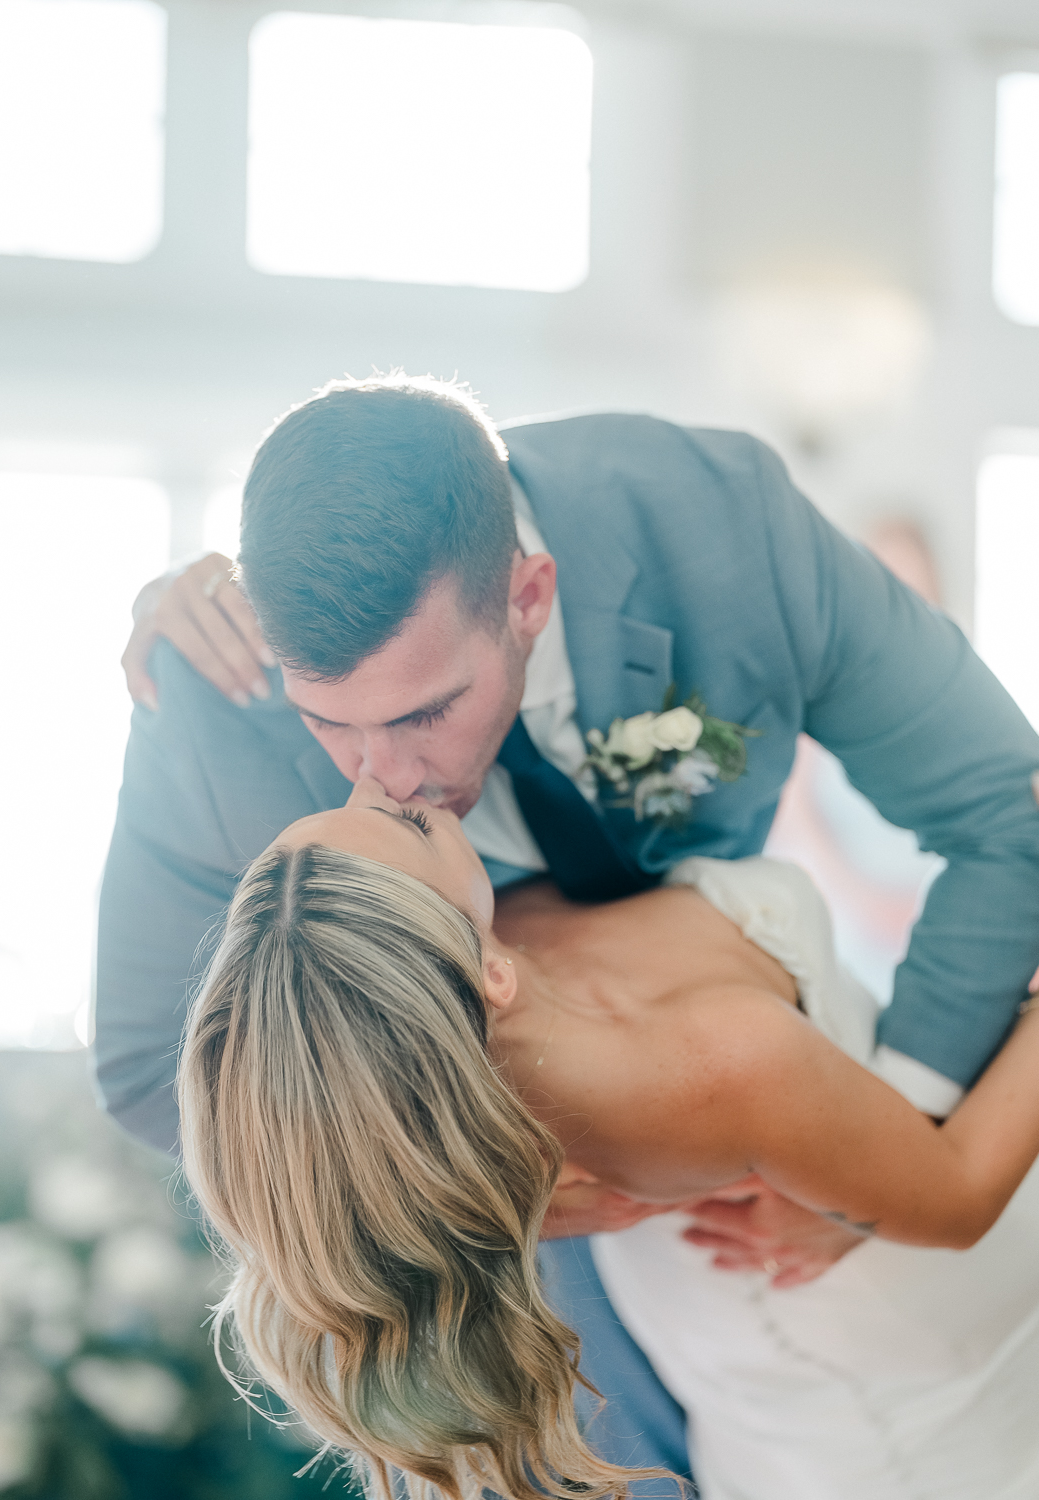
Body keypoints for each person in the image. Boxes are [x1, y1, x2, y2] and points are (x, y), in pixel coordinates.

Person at [96, 373, 1039, 1486]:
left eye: (422, 713)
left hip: (817, 1198)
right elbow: (148, 1066)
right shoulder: (221, 698)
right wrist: (483, 1186)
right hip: (572, 1256)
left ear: (530, 595)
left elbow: (1002, 811)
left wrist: (867, 1162)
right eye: (328, 726)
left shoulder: (716, 525)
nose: (382, 782)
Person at [177, 777, 1039, 1500]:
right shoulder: (716, 1065)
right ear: (494, 976)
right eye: (405, 821)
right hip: (886, 1341)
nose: (376, 774)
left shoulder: (450, 992)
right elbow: (958, 1196)